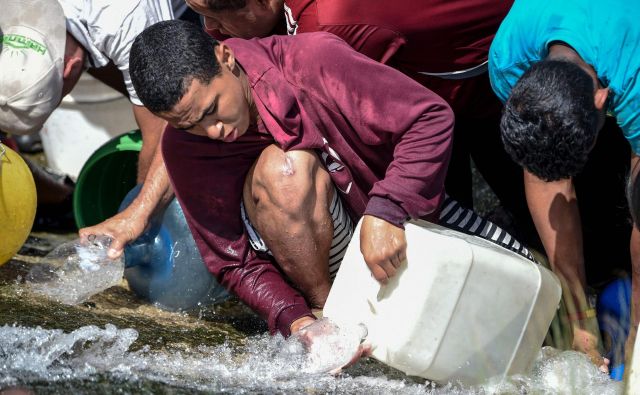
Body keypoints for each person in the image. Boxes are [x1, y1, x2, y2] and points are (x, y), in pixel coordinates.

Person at [126, 20, 535, 338]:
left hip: (391, 211)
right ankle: (330, 312)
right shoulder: (184, 147)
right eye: (190, 124)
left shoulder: (313, 61)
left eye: (212, 109)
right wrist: (294, 317)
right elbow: (231, 261)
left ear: (225, 58)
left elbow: (430, 118)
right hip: (306, 260)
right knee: (283, 170)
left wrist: (387, 212)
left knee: (535, 287)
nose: (212, 131)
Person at [83, 0, 541, 261]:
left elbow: (423, 119)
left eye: (219, 19)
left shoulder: (323, 34)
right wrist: (141, 210)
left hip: (503, 84)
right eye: (200, 14)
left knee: (541, 247)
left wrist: (386, 211)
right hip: (426, 89)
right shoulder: (263, 35)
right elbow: (196, 115)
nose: (210, 31)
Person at [488, 0, 640, 371]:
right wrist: (579, 319)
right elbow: (543, 176)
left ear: (602, 99)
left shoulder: (632, 73)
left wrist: (635, 337)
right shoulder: (508, 62)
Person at [0, 0, 176, 184]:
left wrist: (136, 204)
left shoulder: (124, 21)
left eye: (58, 98)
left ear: (69, 66)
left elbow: (165, 134)